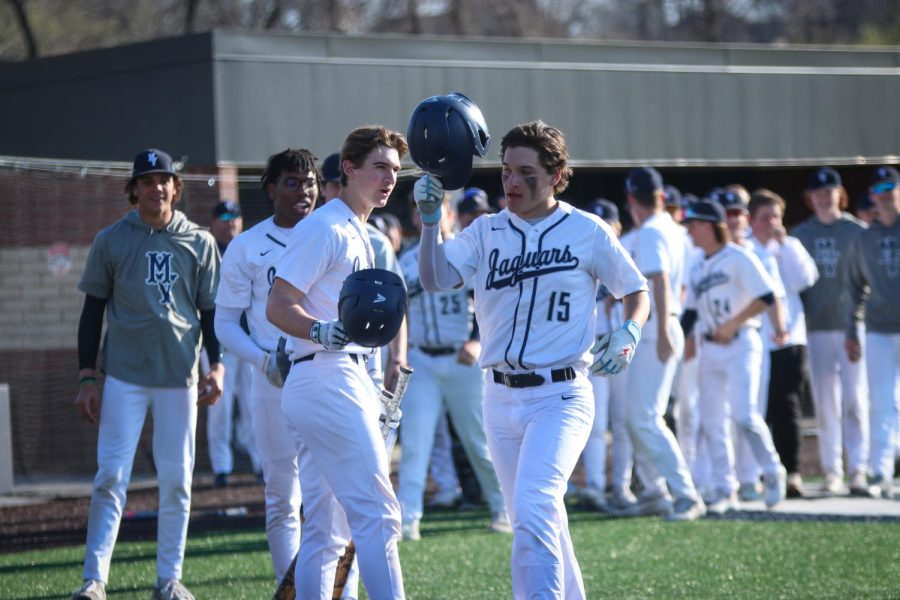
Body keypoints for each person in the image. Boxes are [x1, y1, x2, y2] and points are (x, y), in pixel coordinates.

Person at [416, 121, 649, 598]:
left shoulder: (586, 230)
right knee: (536, 514)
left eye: (527, 173)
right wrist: (426, 224)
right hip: (498, 398)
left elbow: (636, 288)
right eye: (505, 172)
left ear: (558, 175)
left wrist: (630, 329)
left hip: (560, 394)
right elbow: (435, 278)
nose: (512, 183)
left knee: (535, 506)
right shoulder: (485, 231)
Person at [71, 149, 223, 600]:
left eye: (165, 180)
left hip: (180, 378)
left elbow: (210, 313)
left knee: (177, 480)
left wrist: (217, 366)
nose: (157, 187)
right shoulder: (111, 240)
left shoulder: (200, 241)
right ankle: (94, 580)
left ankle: (168, 579)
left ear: (176, 188)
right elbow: (91, 310)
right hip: (124, 376)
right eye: (148, 180)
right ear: (134, 189)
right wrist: (86, 377)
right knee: (111, 476)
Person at [266, 126, 407, 599]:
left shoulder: (357, 229)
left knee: (326, 536)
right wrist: (320, 330)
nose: (390, 177)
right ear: (348, 168)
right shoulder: (326, 225)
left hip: (333, 378)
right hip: (327, 375)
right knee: (379, 516)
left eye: (395, 169)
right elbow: (278, 305)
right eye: (380, 166)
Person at [213, 149, 319, 583]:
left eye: (309, 181)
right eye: (291, 182)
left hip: (326, 378)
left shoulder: (335, 232)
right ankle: (289, 588)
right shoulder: (248, 245)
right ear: (271, 188)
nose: (303, 190)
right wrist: (261, 359)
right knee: (282, 495)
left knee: (329, 496)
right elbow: (224, 321)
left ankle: (336, 590)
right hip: (272, 380)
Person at [397, 191, 509, 541]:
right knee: (415, 442)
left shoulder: (464, 253)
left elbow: (488, 300)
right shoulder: (404, 261)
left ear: (449, 213)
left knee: (479, 439)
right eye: (421, 211)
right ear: (416, 218)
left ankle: (502, 506)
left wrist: (478, 339)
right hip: (421, 359)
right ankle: (407, 518)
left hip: (462, 358)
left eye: (438, 209)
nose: (430, 215)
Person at [681, 199, 787, 514]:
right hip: (710, 348)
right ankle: (725, 488)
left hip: (742, 343)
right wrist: (672, 341)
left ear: (711, 226)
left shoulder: (739, 257)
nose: (690, 231)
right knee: (712, 420)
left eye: (694, 224)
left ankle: (772, 470)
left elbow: (766, 297)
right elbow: (688, 316)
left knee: (744, 415)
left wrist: (733, 323)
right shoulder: (698, 264)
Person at [621, 167, 705, 520]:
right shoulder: (673, 229)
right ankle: (654, 491)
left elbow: (661, 279)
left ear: (630, 200)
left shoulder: (652, 230)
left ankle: (686, 495)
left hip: (658, 325)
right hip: (664, 323)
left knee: (644, 417)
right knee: (637, 416)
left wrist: (664, 330)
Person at [791, 167, 869, 495]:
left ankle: (859, 469)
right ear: (810, 198)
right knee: (825, 402)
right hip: (817, 328)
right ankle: (831, 470)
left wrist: (857, 319)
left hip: (852, 325)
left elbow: (869, 280)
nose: (824, 198)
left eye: (830, 192)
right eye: (818, 193)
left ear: (841, 194)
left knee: (855, 399)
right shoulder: (800, 235)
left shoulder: (858, 231)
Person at [713, 186, 788, 502]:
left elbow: (775, 295)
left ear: (746, 217)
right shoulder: (708, 252)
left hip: (748, 337)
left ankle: (757, 475)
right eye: (727, 214)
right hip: (713, 343)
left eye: (738, 214)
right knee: (718, 417)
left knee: (747, 413)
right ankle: (727, 482)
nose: (733, 220)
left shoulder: (758, 252)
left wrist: (780, 327)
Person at [747, 188, 819, 498]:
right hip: (757, 341)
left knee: (788, 406)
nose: (772, 223)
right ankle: (759, 473)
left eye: (776, 216)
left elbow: (805, 279)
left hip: (790, 340)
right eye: (765, 218)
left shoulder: (791, 246)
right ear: (752, 221)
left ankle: (792, 472)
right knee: (757, 408)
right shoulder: (746, 249)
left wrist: (783, 245)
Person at [845, 166, 900, 500]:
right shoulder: (864, 237)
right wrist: (851, 328)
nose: (884, 193)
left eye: (890, 185)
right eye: (878, 187)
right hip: (878, 328)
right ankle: (880, 472)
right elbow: (853, 287)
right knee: (880, 401)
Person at [206, 200, 259, 487]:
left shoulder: (249, 249)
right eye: (224, 216)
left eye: (235, 216)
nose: (230, 221)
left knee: (254, 405)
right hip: (219, 344)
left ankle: (260, 464)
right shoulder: (207, 250)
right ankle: (221, 469)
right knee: (220, 409)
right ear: (213, 222)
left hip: (250, 340)